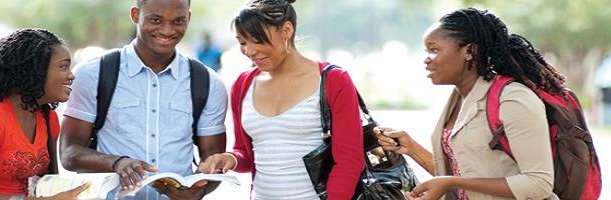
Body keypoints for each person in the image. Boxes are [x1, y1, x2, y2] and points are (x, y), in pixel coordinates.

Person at [375, 8, 561, 200]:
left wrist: (452, 183)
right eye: (426, 51)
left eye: (434, 50)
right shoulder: (458, 99)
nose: (426, 60)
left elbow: (538, 184)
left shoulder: (513, 99)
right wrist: (411, 148)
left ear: (469, 51)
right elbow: (462, 172)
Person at [59, 0, 228, 199]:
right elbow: (69, 153)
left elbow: (213, 160)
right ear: (135, 15)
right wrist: (117, 162)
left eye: (178, 21)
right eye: (156, 20)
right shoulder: (93, 74)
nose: (167, 30)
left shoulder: (208, 82)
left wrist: (200, 191)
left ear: (188, 18)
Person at [198, 0, 365, 199]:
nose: (249, 51)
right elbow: (245, 153)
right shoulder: (243, 85)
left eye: (257, 40)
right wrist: (231, 158)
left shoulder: (333, 80)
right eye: (243, 42)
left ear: (286, 30)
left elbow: (350, 161)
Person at [0, 29, 86, 199]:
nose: (71, 75)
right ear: (34, 71)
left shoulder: (47, 117)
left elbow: (49, 185)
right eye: (63, 67)